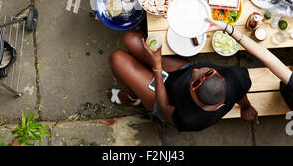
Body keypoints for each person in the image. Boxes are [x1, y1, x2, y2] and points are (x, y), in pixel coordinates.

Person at [106, 31, 258, 132]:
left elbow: (164, 108)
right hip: (179, 73)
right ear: (222, 79)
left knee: (117, 58)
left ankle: (133, 98)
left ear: (197, 101)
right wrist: (247, 107)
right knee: (130, 39)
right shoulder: (237, 77)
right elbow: (240, 92)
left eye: (195, 82)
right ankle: (138, 79)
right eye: (208, 72)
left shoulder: (191, 119)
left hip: (164, 99)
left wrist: (157, 66)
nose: (196, 71)